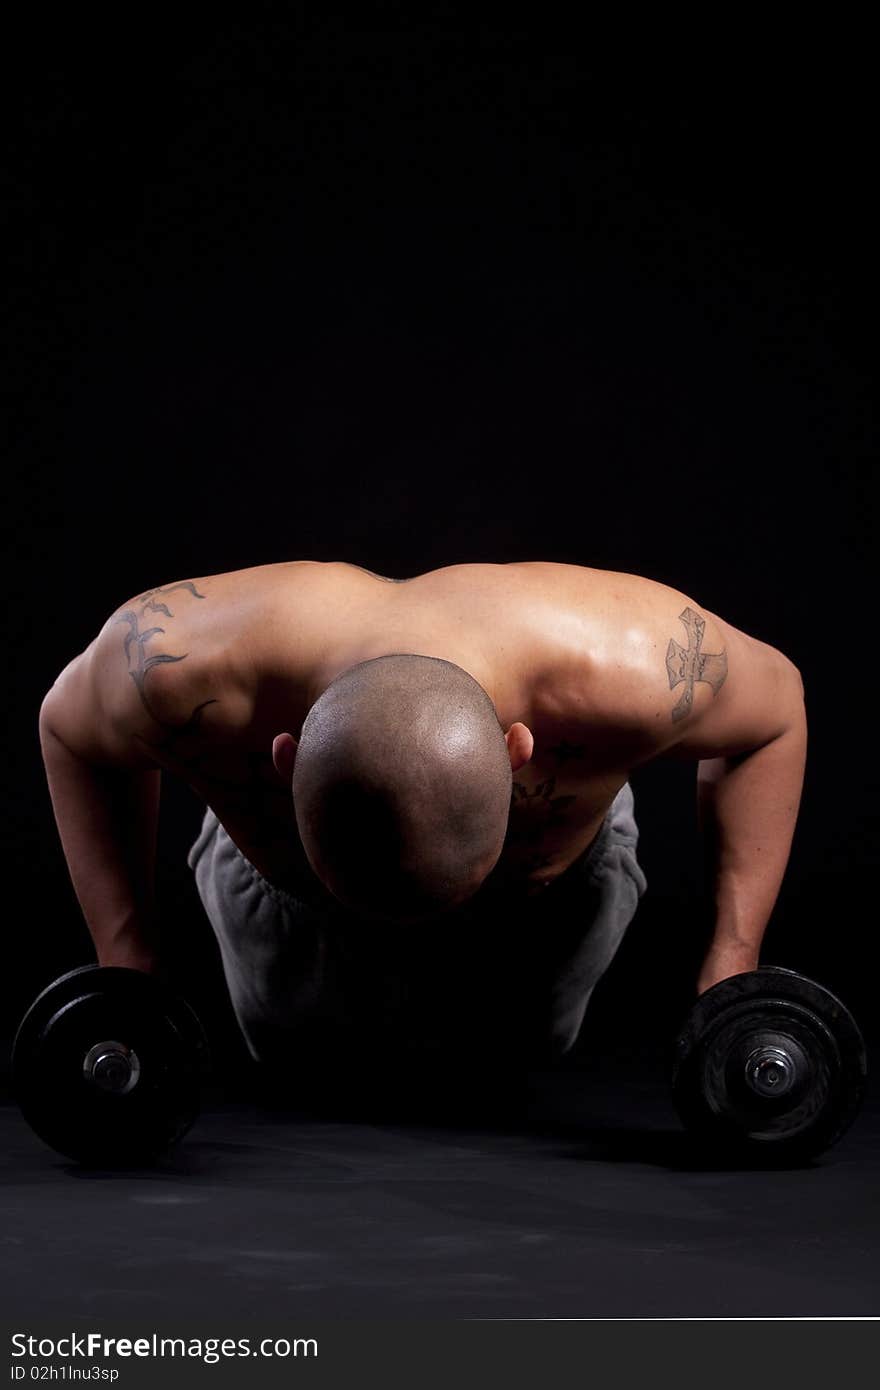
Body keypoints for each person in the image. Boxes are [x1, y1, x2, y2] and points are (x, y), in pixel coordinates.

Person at [38, 559, 806, 1074]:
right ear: (286, 759)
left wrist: (732, 963)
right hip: (294, 918)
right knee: (313, 1088)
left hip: (537, 920)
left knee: (504, 1086)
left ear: (518, 753)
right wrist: (127, 965)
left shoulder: (636, 662)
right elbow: (68, 731)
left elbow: (775, 714)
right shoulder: (176, 663)